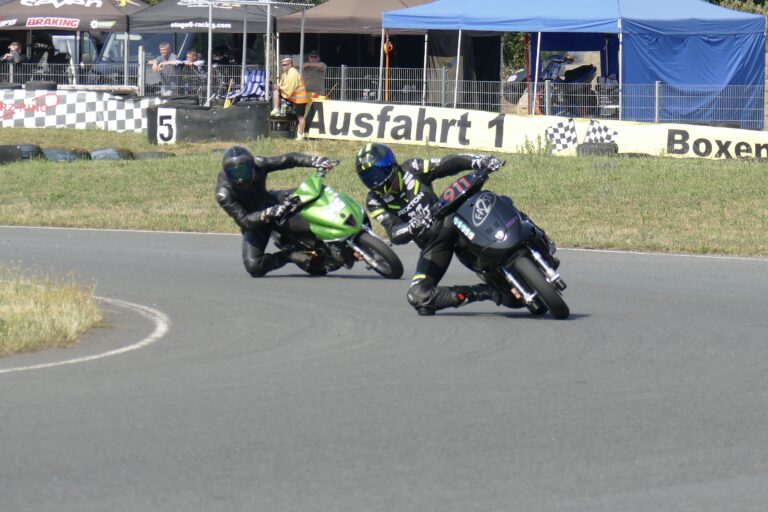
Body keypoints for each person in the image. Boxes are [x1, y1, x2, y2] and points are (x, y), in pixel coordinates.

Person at [355, 143, 504, 316]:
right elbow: (394, 233)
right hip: (433, 244)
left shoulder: (412, 168)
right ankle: (481, 292)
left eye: (376, 174)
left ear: (390, 166)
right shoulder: (374, 201)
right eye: (368, 178)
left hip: (451, 220)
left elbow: (447, 164)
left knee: (491, 200)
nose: (375, 181)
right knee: (417, 295)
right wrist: (411, 226)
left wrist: (479, 161)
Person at [215, 146, 332, 277]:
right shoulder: (223, 194)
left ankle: (334, 226)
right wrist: (267, 214)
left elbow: (288, 159)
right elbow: (244, 220)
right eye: (234, 174)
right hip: (255, 222)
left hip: (270, 201)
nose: (240, 178)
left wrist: (314, 161)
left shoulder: (259, 163)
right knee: (253, 266)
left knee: (307, 196)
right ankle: (288, 254)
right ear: (226, 173)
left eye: (244, 172)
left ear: (252, 166)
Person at [271, 57, 309, 141]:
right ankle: (276, 108)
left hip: (300, 99)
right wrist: (278, 87)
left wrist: (279, 87)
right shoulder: (285, 74)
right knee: (276, 91)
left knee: (300, 117)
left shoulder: (293, 73)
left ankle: (300, 135)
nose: (283, 66)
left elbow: (289, 88)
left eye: (285, 65)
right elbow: (283, 86)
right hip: (292, 97)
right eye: (282, 65)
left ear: (291, 64)